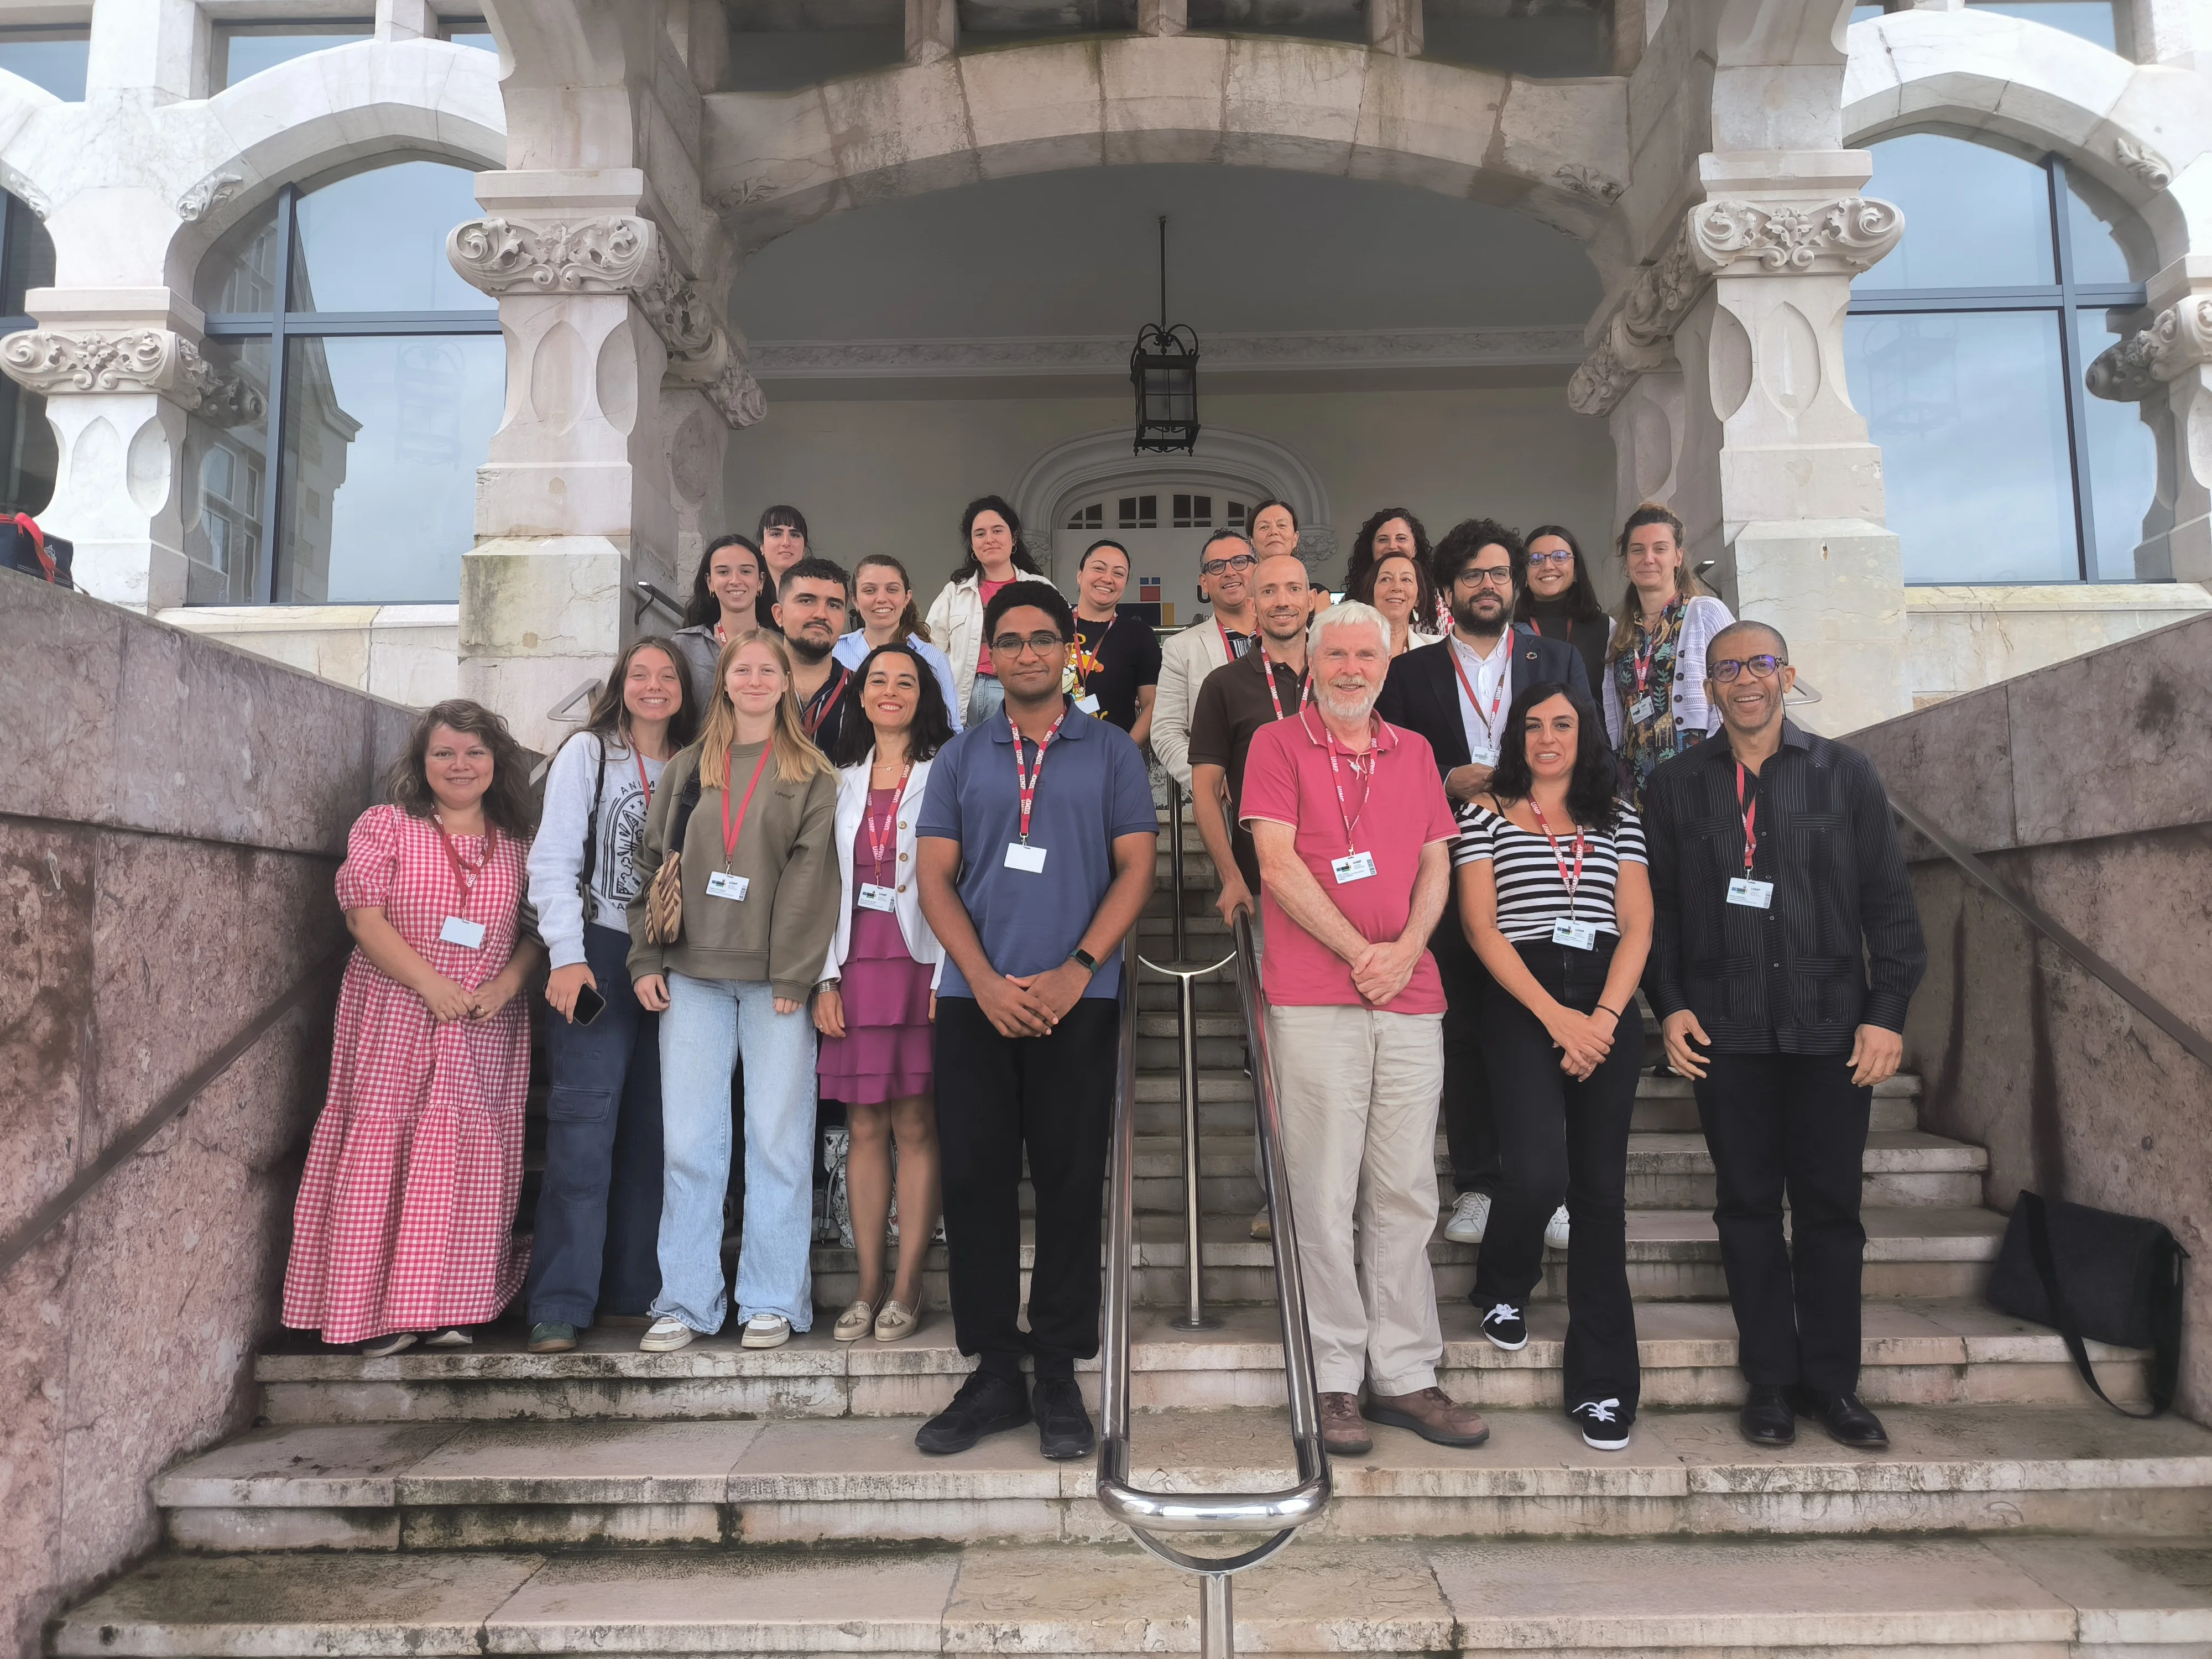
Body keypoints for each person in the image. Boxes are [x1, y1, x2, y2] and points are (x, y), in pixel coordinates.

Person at [1643, 620, 1926, 1453]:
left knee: (1832, 1212)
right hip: (1724, 1031)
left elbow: (1891, 908)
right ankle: (1769, 1381)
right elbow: (1657, 913)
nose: (1746, 681)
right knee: (1746, 1209)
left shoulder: (1846, 774)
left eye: (1760, 665)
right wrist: (1670, 1005)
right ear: (1709, 688)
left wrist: (1887, 1013)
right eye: (1728, 669)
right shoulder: (1675, 786)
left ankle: (1833, 1386)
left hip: (1832, 1030)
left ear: (1787, 675)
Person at [912, 580, 1157, 1460]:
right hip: (974, 1002)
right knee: (975, 1184)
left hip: (1078, 1003)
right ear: (991, 655)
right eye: (1010, 641)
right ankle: (993, 1372)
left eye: (1043, 639)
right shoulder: (961, 756)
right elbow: (934, 877)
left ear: (1068, 651)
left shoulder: (1113, 753)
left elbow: (1137, 868)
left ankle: (1057, 1368)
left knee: (1068, 1182)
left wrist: (1078, 969)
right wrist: (981, 980)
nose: (1027, 653)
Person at [1239, 600, 1489, 1455]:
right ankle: (1334, 1375)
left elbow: (1436, 861)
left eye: (1367, 657)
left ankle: (1407, 1373)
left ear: (1388, 665)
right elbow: (1277, 864)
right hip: (1315, 996)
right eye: (1337, 655)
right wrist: (1361, 953)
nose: (1352, 669)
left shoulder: (1413, 751)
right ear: (1311, 664)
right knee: (1323, 1189)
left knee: (1407, 1189)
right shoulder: (1276, 745)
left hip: (1411, 998)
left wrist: (1407, 950)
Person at [281, 700, 540, 1357]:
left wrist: (507, 986)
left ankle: (451, 1304)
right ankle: (374, 1312)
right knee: (385, 1152)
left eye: (475, 752)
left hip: (483, 1023)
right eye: (444, 753)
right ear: (422, 763)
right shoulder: (387, 827)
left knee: (469, 1161)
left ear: (496, 762)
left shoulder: (520, 843)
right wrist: (430, 985)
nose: (460, 765)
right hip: (396, 1011)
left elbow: (537, 933)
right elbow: (363, 918)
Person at [1375, 519, 1588, 1254]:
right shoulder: (1410, 673)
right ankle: (1478, 1182)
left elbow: (1592, 751)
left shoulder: (1555, 658)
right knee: (1464, 1027)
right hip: (1446, 863)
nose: (1488, 586)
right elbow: (1385, 765)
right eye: (1472, 576)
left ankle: (1547, 1188)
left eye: (1499, 573)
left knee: (1545, 1020)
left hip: (1543, 864)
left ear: (1515, 583)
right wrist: (1445, 779)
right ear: (1447, 590)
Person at [629, 631, 842, 1353]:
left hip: (773, 983)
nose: (753, 680)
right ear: (723, 681)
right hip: (690, 976)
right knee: (690, 1143)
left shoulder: (811, 773)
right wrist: (645, 958)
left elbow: (813, 881)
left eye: (766, 670)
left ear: (785, 683)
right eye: (740, 669)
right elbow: (651, 866)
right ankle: (686, 1300)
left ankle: (771, 1298)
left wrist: (794, 972)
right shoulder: (689, 767)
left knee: (778, 1141)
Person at [1454, 679, 1651, 1450]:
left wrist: (1603, 1019)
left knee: (1600, 1196)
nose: (1547, 738)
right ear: (1515, 736)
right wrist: (1555, 1016)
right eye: (1533, 725)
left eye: (1563, 725)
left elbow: (1637, 926)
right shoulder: (1484, 814)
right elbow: (1481, 928)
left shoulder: (1619, 817)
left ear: (1584, 735)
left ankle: (1603, 1387)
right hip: (1521, 998)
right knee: (1536, 1174)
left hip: (1606, 1000)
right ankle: (1503, 1283)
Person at [522, 639, 702, 1354]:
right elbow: (553, 858)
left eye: (667, 676)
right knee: (582, 1126)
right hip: (598, 953)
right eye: (640, 675)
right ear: (620, 685)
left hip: (675, 958)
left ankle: (632, 1288)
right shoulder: (589, 754)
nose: (654, 686)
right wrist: (566, 957)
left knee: (656, 1131)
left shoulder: (695, 764)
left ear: (685, 689)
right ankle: (560, 1301)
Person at [816, 644, 955, 1343]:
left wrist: (950, 973)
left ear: (923, 696)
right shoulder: (835, 780)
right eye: (878, 681)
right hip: (853, 966)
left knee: (916, 1125)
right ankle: (867, 1284)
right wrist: (822, 977)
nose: (890, 691)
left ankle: (908, 1285)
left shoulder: (946, 772)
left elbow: (960, 879)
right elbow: (815, 886)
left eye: (905, 681)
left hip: (922, 963)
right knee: (864, 1126)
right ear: (861, 695)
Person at [1188, 551, 1312, 930]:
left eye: (1294, 589)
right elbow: (1205, 791)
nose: (1283, 601)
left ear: (1311, 600)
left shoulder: (1341, 675)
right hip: (1260, 884)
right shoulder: (1223, 685)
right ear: (1253, 604)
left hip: (1343, 876)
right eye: (1269, 591)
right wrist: (1230, 876)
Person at [1601, 502, 1733, 808]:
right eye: (1637, 550)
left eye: (1659, 549)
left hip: (1698, 774)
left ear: (1678, 557)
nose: (1648, 559)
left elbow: (1733, 690)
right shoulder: (1619, 634)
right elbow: (1616, 718)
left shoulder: (1706, 614)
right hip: (1634, 784)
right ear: (1627, 562)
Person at [1152, 528, 1259, 793]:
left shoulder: (1292, 637)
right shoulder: (1181, 648)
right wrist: (1209, 782)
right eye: (1217, 566)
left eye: (1240, 561)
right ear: (1204, 582)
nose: (1229, 572)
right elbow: (1166, 731)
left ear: (1257, 570)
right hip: (1225, 796)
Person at [925, 495, 1045, 728]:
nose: (989, 539)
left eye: (997, 531)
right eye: (980, 534)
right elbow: (930, 650)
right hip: (961, 698)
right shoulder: (954, 592)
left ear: (1014, 538)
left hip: (1019, 693)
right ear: (972, 545)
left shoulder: (1039, 589)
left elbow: (1061, 647)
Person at [833, 552, 962, 731]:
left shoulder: (933, 658)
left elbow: (951, 728)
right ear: (854, 599)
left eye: (892, 590)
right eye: (870, 590)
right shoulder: (834, 652)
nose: (881, 599)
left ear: (907, 598)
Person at [1066, 538, 1162, 742]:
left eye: (1118, 574)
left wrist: (1126, 751)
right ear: (1080, 575)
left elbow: (1152, 705)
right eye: (1099, 568)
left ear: (1125, 584)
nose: (1108, 579)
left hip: (1114, 751)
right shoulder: (1052, 625)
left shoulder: (1139, 634)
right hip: (1051, 751)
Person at [776, 555, 859, 753]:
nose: (821, 614)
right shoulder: (748, 687)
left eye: (833, 605)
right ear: (779, 614)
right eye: (806, 601)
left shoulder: (862, 693)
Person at [1517, 524, 1611, 696]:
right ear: (1524, 575)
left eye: (1559, 557)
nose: (1548, 566)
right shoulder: (1510, 637)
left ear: (1575, 571)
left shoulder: (1607, 629)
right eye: (1536, 559)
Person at [674, 533, 767, 698]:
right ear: (710, 582)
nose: (735, 580)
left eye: (746, 571)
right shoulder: (684, 645)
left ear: (760, 581)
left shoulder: (781, 644)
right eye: (723, 572)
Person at [1342, 508, 1430, 624]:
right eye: (1383, 540)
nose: (1392, 546)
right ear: (1371, 549)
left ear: (1415, 549)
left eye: (1401, 538)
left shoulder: (1439, 604)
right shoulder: (1349, 607)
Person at [1349, 547, 1441, 657]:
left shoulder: (1439, 651)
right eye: (1385, 579)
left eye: (1406, 580)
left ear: (1418, 599)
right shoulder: (1346, 646)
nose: (1397, 587)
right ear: (1371, 595)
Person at [754, 504, 811, 629]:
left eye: (795, 535)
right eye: (776, 534)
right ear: (762, 546)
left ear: (804, 549)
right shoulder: (749, 593)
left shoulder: (817, 591)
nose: (786, 542)